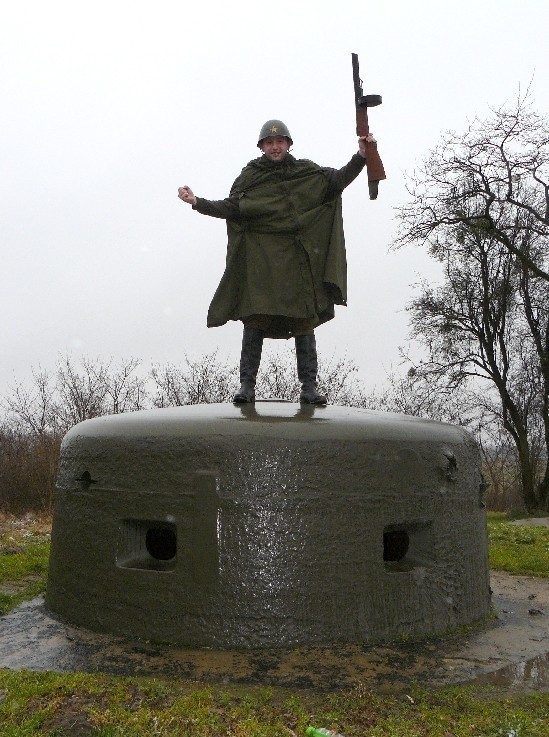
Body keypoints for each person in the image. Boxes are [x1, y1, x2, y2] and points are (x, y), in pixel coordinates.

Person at [178, 119, 377, 405]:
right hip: (263, 259)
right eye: (269, 143)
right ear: (261, 147)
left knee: (304, 321)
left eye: (280, 141)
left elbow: (337, 181)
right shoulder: (250, 177)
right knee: (255, 319)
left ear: (288, 144)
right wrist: (198, 202)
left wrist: (361, 156)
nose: (275, 146)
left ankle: (309, 388)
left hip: (297, 260)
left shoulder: (306, 172)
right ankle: (247, 386)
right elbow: (232, 208)